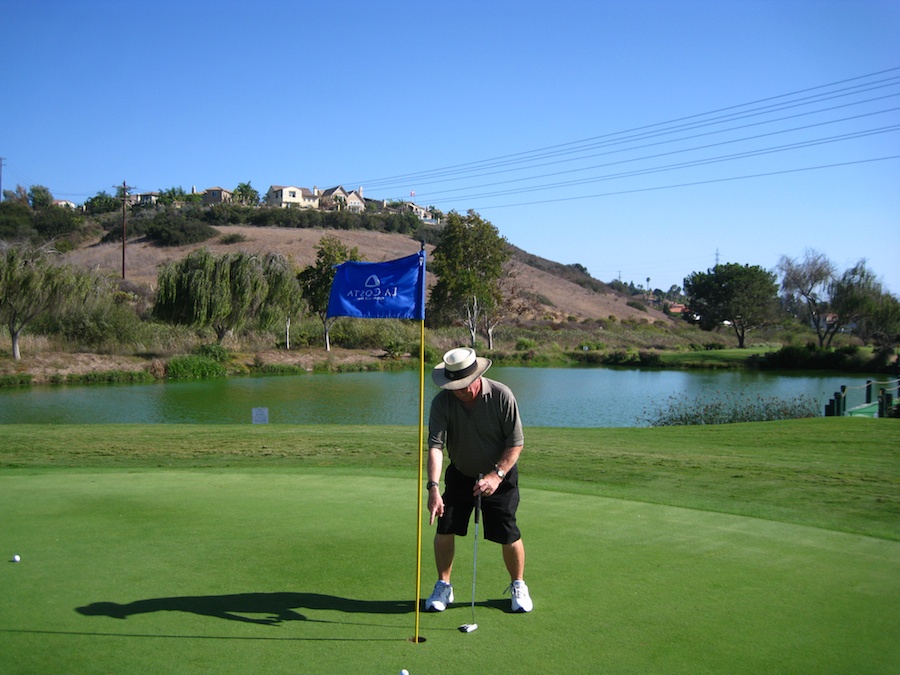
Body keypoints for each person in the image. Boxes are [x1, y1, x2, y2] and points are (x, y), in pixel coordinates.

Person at [424, 347, 533, 613]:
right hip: (461, 475)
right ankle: (443, 586)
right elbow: (436, 447)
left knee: (508, 532)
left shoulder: (501, 395)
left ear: (477, 376)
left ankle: (518, 584)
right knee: (444, 528)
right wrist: (433, 488)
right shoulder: (442, 402)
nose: (459, 391)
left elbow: (516, 443)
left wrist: (497, 476)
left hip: (500, 477)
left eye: (463, 386)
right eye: (454, 386)